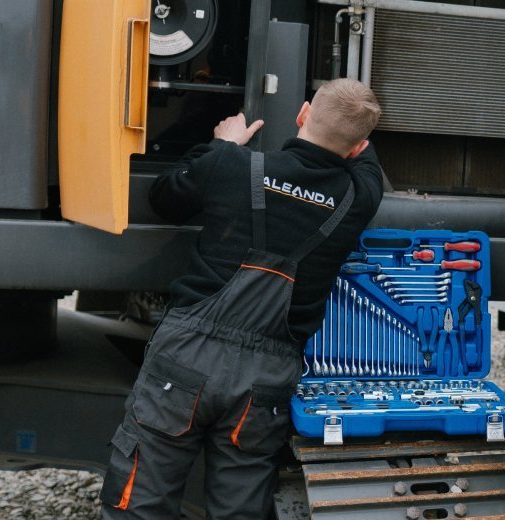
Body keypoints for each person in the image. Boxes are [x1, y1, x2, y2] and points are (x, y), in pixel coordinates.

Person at [100, 79, 385, 519]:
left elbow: (164, 198)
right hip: (264, 380)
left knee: (139, 503)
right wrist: (353, 133)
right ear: (358, 146)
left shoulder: (229, 164)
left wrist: (221, 144)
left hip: (185, 358)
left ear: (303, 114)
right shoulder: (358, 197)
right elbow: (366, 161)